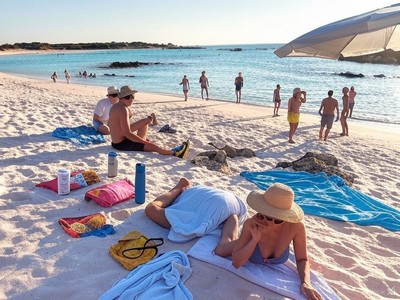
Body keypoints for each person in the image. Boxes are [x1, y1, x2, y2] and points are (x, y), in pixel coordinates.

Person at [145, 178, 322, 300]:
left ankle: (231, 216)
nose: (269, 221)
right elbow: (237, 263)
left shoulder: (295, 227)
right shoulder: (253, 224)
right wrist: (254, 239)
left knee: (227, 241)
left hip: (230, 217)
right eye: (267, 215)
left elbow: (302, 258)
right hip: (227, 223)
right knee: (221, 249)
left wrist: (305, 282)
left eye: (277, 219)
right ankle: (183, 188)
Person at [108, 85, 190, 158]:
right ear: (121, 98)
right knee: (155, 148)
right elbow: (127, 133)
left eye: (132, 96)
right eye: (127, 97)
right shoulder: (123, 109)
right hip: (121, 144)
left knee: (145, 122)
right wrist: (143, 142)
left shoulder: (117, 106)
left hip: (117, 140)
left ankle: (144, 141)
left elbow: (116, 126)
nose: (131, 99)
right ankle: (173, 153)